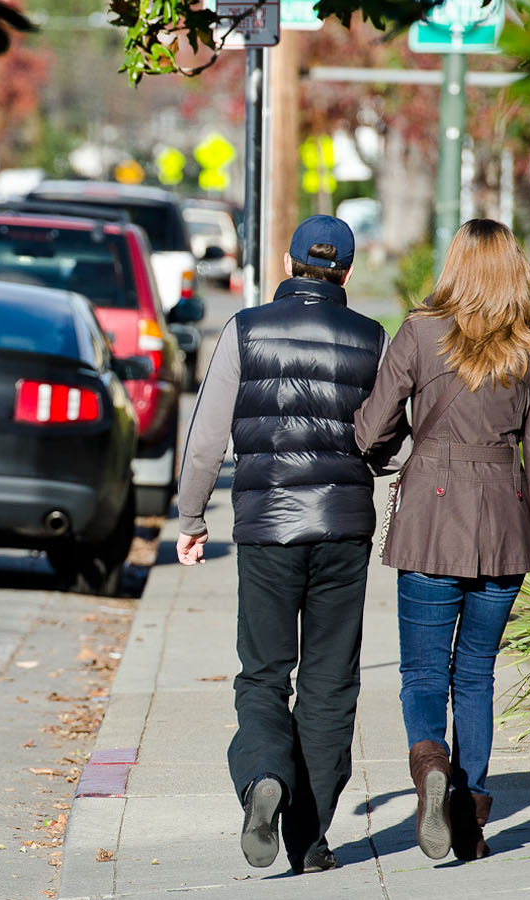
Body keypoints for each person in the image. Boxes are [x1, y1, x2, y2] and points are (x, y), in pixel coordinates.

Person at [175, 215, 392, 875]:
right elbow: (386, 440)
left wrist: (191, 517)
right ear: (347, 273)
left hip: (267, 530)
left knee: (264, 675)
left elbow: (209, 432)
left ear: (290, 264)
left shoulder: (246, 329)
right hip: (343, 531)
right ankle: (311, 840)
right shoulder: (371, 339)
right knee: (330, 686)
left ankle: (264, 777)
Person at [353, 218, 530, 862]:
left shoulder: (420, 332)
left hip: (429, 518)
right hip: (505, 529)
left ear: (454, 266)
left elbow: (370, 430)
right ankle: (469, 817)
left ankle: (429, 769)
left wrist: (398, 456)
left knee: (422, 671)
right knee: (475, 674)